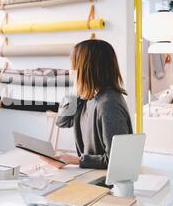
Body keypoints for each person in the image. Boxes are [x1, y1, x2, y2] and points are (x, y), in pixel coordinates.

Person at [55, 39, 133, 169]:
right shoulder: (86, 97)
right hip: (90, 172)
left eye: (75, 65)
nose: (72, 70)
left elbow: (117, 160)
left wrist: (75, 160)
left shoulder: (109, 104)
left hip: (104, 179)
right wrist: (76, 90)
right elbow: (62, 122)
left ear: (86, 68)